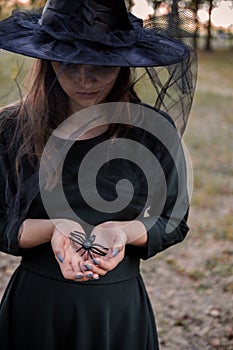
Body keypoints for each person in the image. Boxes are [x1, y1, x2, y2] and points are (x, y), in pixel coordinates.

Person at [0, 1, 197, 349]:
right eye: (71, 64)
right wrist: (53, 228)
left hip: (117, 312)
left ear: (123, 64)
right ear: (48, 60)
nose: (85, 79)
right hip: (37, 311)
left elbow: (173, 219)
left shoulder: (150, 133)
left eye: (101, 65)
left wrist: (122, 231)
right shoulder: (10, 129)